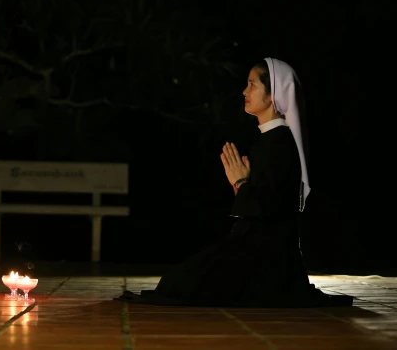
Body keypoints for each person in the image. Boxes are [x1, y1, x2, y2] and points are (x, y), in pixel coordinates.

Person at [116, 58, 353, 307]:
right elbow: (257, 200)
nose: (244, 91)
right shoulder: (268, 140)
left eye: (252, 85)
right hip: (252, 244)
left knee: (183, 284)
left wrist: (240, 182)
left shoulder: (280, 143)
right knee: (178, 281)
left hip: (266, 254)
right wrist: (240, 185)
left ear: (273, 95)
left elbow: (268, 209)